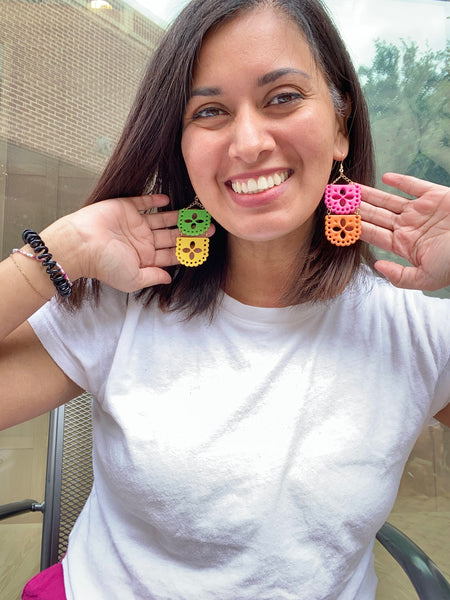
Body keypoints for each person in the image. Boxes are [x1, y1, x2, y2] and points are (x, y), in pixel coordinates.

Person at [0, 0, 449, 598]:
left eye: (283, 97)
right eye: (209, 111)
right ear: (181, 146)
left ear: (341, 126)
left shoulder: (415, 331)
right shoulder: (129, 301)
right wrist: (60, 250)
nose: (248, 142)